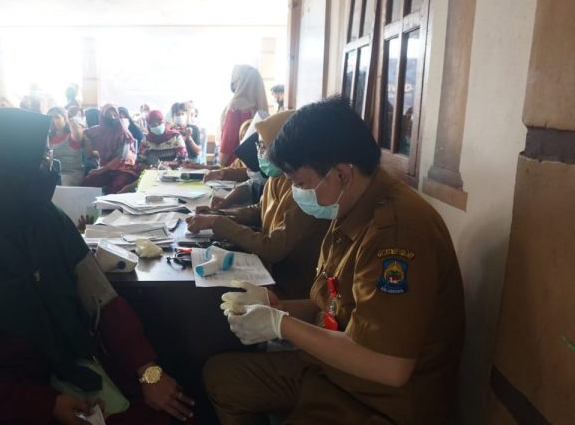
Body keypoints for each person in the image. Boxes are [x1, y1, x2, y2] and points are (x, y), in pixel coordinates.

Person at [0, 108, 194, 424]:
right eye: (37, 163)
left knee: (172, 408)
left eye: (47, 159)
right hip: (8, 402)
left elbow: (103, 299)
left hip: (71, 370)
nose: (48, 172)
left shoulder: (44, 219)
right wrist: (48, 404)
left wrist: (148, 371)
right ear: (0, 172)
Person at [204, 97, 465, 424]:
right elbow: (333, 305)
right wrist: (275, 306)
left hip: (377, 401)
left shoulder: (396, 234)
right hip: (332, 371)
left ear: (341, 173)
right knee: (222, 378)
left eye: (300, 183)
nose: (297, 193)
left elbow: (389, 366)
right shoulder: (349, 208)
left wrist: (281, 325)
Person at [186, 110, 329, 299]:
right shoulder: (275, 178)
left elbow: (273, 248)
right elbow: (260, 210)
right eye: (258, 146)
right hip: (269, 272)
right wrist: (220, 215)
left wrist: (218, 223)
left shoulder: (303, 189)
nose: (259, 153)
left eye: (263, 147)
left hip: (290, 288)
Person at [81, 104, 138, 194]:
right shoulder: (99, 130)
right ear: (102, 117)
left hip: (124, 168)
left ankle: (109, 203)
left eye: (115, 115)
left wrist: (100, 170)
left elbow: (121, 157)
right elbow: (85, 133)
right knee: (88, 182)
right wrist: (89, 147)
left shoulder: (123, 133)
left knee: (116, 187)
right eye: (108, 116)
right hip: (106, 168)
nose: (112, 118)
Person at [218, 65, 268, 167]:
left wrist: (220, 166)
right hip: (256, 168)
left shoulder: (235, 107)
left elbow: (227, 144)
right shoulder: (262, 109)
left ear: (240, 82)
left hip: (234, 167)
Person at [48, 107, 84, 186]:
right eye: (50, 118)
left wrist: (71, 120)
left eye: (57, 117)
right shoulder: (48, 137)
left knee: (59, 184)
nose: (53, 120)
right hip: (53, 173)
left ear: (64, 118)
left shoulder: (71, 136)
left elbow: (77, 135)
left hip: (71, 174)